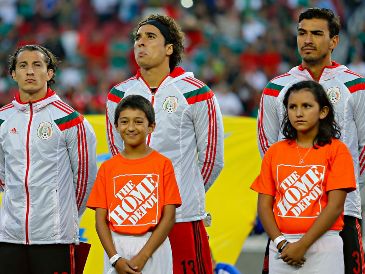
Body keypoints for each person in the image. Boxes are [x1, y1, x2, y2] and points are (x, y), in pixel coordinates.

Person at [106, 14, 224, 274]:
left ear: (170, 48)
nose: (140, 43)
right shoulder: (118, 95)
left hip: (182, 218)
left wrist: (179, 195)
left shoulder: (197, 93)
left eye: (150, 37)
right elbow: (118, 156)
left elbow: (213, 159)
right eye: (137, 38)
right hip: (134, 219)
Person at [257, 8, 365, 274]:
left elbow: (363, 148)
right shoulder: (275, 89)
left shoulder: (355, 87)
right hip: (287, 215)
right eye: (302, 33)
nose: (307, 40)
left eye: (317, 33)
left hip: (343, 212)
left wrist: (341, 186)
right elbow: (268, 150)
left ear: (334, 41)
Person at [0, 44, 97, 273]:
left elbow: (84, 179)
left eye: (37, 65)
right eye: (23, 65)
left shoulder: (72, 121)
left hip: (55, 239)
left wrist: (62, 215)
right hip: (9, 237)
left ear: (50, 73)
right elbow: (3, 175)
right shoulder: (3, 120)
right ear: (13, 74)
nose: (30, 71)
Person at [252, 80, 356, 273]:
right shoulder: (274, 152)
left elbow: (335, 207)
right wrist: (282, 243)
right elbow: (264, 206)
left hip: (324, 245)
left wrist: (302, 245)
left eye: (307, 106)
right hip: (282, 247)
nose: (298, 113)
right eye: (292, 107)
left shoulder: (337, 150)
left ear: (323, 112)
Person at [87, 95, 182, 274]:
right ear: (116, 126)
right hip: (116, 249)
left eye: (138, 121)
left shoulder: (163, 164)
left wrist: (144, 256)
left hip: (154, 247)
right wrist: (115, 259)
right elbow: (100, 221)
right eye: (124, 121)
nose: (131, 127)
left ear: (151, 127)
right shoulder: (108, 167)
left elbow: (169, 218)